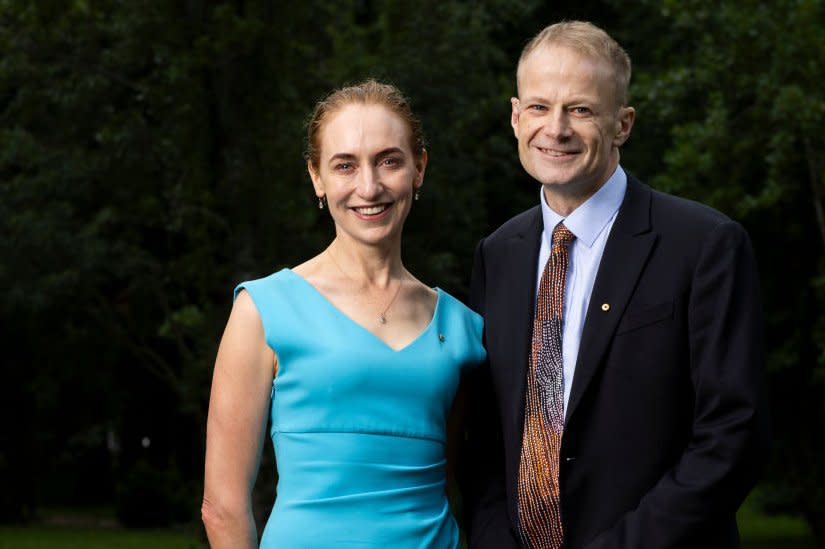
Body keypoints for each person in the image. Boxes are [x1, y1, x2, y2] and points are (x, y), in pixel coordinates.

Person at [464, 21, 769, 548]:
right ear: (516, 117)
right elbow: (485, 436)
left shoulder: (704, 245)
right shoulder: (498, 254)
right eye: (539, 107)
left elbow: (732, 438)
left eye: (580, 109)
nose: (555, 129)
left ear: (622, 124)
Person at [201, 79, 485, 548]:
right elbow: (223, 507)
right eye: (345, 165)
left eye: (389, 161)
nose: (368, 186)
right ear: (317, 177)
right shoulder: (265, 309)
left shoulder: (462, 328)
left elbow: (454, 485)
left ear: (420, 168)